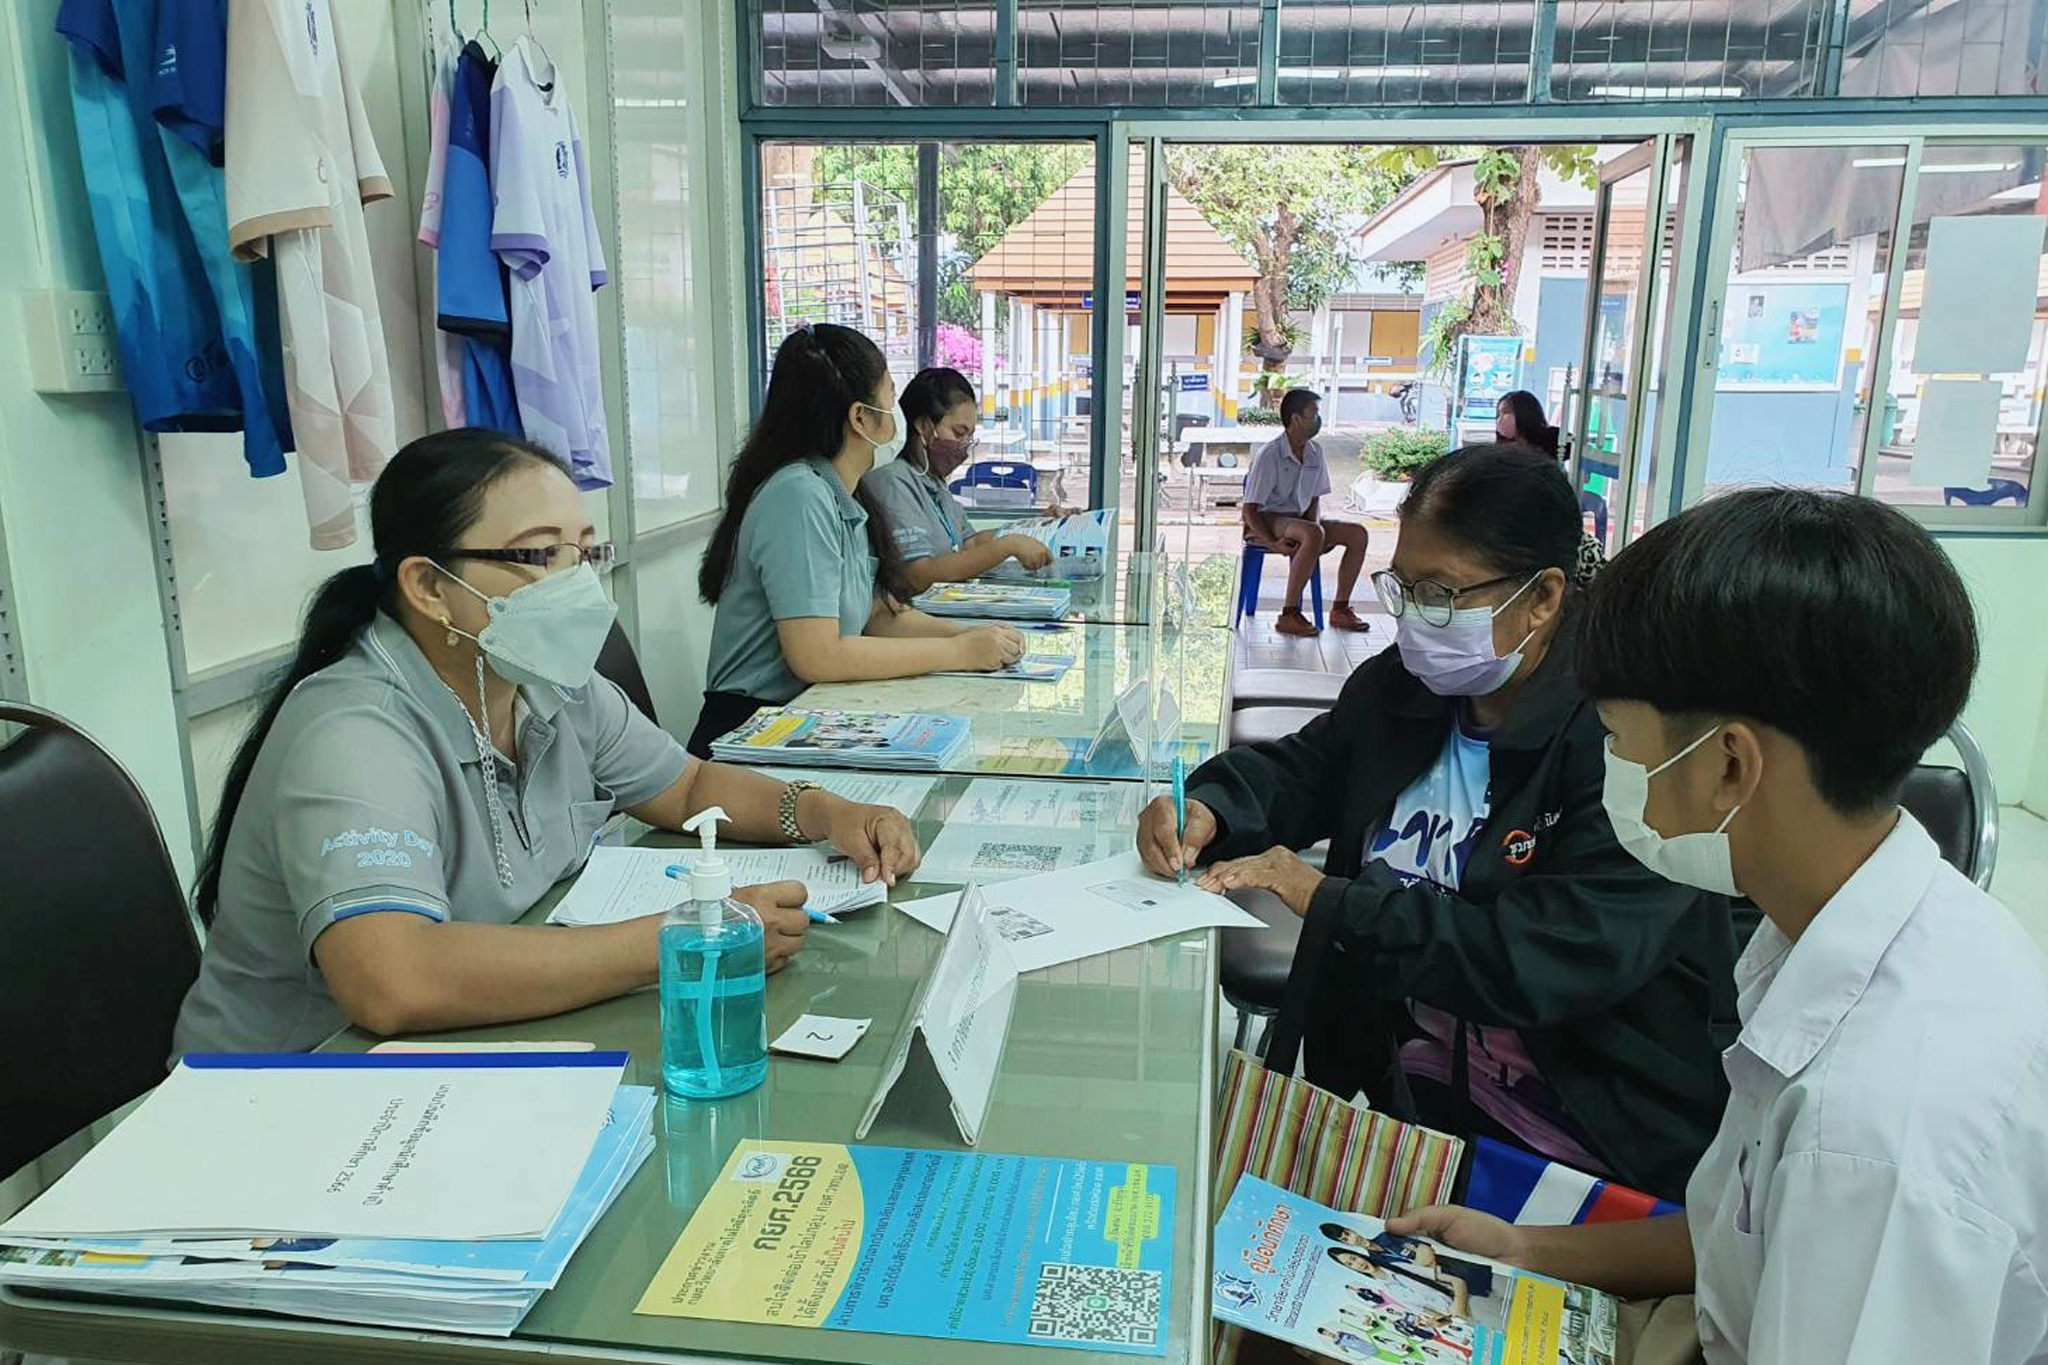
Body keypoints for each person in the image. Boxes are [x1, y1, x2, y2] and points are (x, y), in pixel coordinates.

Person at [1392, 488, 2048, 1365]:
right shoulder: (1847, 926)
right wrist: (1528, 1251)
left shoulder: (1871, 1139)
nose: (1612, 767)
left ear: (1730, 764)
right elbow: (1742, 1229)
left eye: (1619, 740)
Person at [174, 431, 924, 1056]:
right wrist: (689, 937)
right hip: (291, 1092)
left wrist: (823, 811)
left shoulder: (543, 680)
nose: (577, 583)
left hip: (462, 1051)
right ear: (428, 585)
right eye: (540, 557)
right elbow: (392, 978)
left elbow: (687, 789)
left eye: (584, 553)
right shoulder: (353, 730)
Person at [1138, 444, 1737, 1201]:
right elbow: (1309, 768)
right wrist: (1210, 808)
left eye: (1443, 593)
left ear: (1544, 596)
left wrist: (1328, 897)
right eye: (1406, 586)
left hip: (1577, 1140)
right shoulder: (1408, 686)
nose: (1418, 617)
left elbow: (1536, 957)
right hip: (1400, 1111)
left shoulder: (1627, 744)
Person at [691, 326, 1026, 756]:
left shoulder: (842, 496)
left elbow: (880, 619)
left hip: (806, 714)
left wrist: (978, 635)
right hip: (751, 730)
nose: (897, 413)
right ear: (860, 418)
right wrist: (957, 651)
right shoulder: (798, 496)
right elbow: (818, 656)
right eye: (889, 395)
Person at [860, 366, 1061, 593]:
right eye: (958, 433)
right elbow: (917, 575)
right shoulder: (892, 479)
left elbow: (970, 543)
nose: (963, 445)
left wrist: (1040, 527)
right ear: (925, 426)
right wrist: (1008, 546)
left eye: (969, 436)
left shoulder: (932, 480)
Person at [1241, 388, 1370, 637]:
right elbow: (1249, 511)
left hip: (1301, 521)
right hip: (1269, 519)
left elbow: (1314, 499)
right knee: (1311, 533)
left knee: (1357, 534)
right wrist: (1274, 543)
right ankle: (1288, 614)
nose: (1318, 419)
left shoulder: (1315, 452)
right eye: (1314, 413)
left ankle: (1341, 609)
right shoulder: (1270, 454)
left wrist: (1317, 532)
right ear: (1296, 419)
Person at [1494, 390, 1559, 458]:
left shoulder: (1552, 438)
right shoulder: (1501, 448)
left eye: (1506, 412)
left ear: (1524, 413)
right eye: (1498, 414)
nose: (1499, 419)